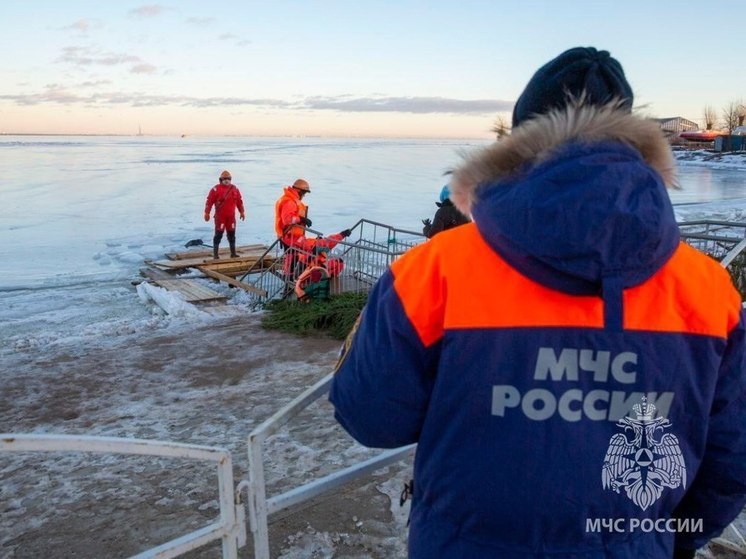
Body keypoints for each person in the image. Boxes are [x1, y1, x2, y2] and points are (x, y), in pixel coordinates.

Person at [329, 46, 746, 559]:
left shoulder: (433, 270)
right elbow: (733, 457)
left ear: (519, 142)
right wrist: (656, 538)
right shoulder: (708, 289)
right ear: (637, 145)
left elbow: (370, 416)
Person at [204, 170, 245, 259]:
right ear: (221, 180)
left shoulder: (235, 189)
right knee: (218, 235)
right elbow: (209, 201)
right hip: (220, 217)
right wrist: (207, 212)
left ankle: (233, 253)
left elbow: (239, 201)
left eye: (228, 179)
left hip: (231, 217)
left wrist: (242, 211)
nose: (227, 180)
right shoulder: (215, 189)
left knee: (232, 235)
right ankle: (215, 255)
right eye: (224, 179)